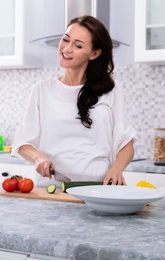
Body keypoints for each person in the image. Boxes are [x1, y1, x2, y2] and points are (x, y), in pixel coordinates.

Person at [11, 15, 136, 187]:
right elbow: (23, 143)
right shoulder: (42, 89)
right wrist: (38, 158)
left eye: (77, 45)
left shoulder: (111, 90)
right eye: (65, 40)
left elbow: (126, 143)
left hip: (97, 190)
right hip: (51, 189)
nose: (67, 49)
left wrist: (117, 168)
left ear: (94, 53)